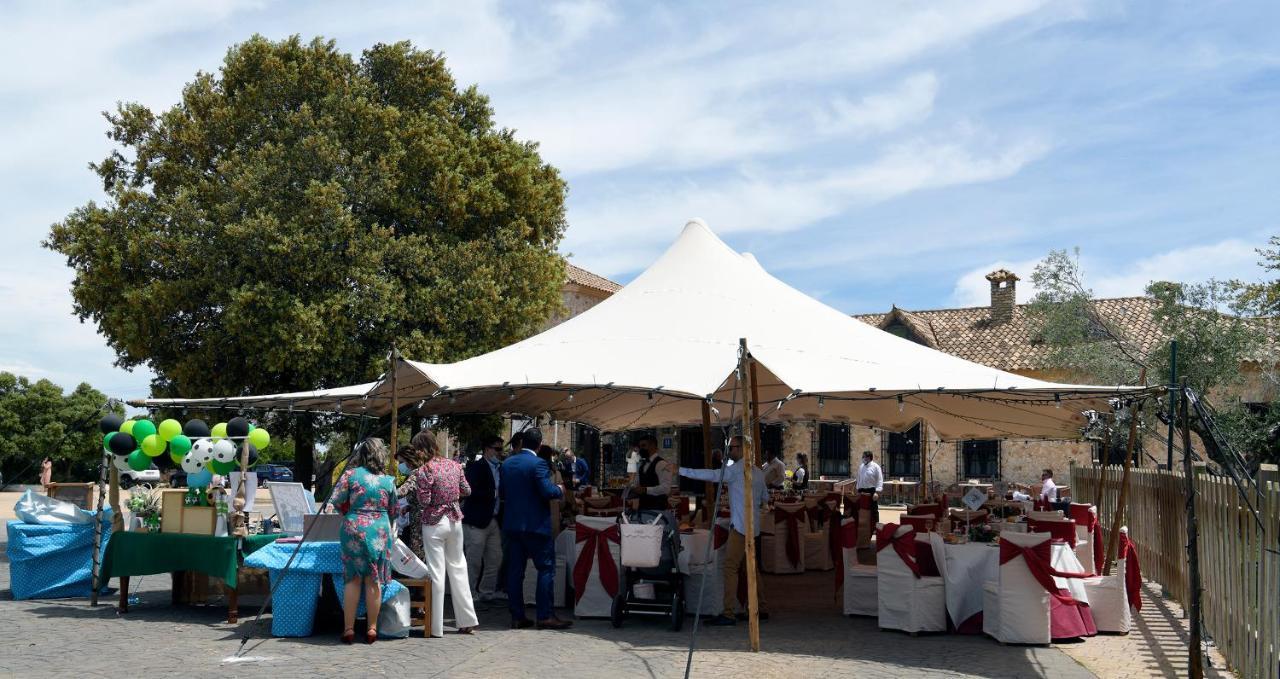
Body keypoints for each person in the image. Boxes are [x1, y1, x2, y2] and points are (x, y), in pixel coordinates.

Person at [677, 435, 769, 625]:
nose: (730, 451)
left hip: (741, 527)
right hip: (754, 528)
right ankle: (761, 607)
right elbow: (764, 499)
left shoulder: (735, 470)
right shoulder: (759, 472)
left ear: (742, 449)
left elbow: (710, 475)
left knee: (730, 567)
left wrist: (681, 470)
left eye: (733, 447)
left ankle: (728, 612)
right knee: (751, 568)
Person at [501, 427, 571, 630]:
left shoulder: (507, 463)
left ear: (521, 443)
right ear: (539, 445)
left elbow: (503, 492)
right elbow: (547, 491)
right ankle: (545, 615)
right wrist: (559, 489)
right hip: (536, 525)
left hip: (513, 525)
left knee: (515, 572)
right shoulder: (539, 463)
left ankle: (517, 616)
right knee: (545, 568)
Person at [330, 438, 398, 644]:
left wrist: (351, 513)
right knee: (373, 580)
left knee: (352, 579)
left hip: (354, 527)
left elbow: (337, 501)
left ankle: (348, 629)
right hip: (379, 529)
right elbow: (394, 510)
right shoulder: (388, 480)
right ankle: (372, 628)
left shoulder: (350, 475)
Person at [413, 430, 480, 636]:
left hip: (434, 521)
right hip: (454, 520)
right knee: (459, 567)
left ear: (422, 448)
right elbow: (467, 490)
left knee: (437, 571)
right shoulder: (455, 465)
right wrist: (451, 494)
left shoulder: (425, 470)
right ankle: (467, 620)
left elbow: (424, 501)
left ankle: (435, 626)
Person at [463, 435, 504, 602]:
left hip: (492, 519)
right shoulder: (476, 467)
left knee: (495, 558)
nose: (501, 453)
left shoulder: (500, 468)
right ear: (487, 449)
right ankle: (469, 593)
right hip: (476, 520)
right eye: (498, 449)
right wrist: (493, 494)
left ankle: (486, 591)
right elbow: (469, 490)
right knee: (474, 561)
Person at [393, 445, 427, 560]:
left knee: (418, 554)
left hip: (420, 522)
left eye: (401, 462)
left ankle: (422, 578)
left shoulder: (416, 473)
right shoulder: (424, 470)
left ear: (409, 460)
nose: (400, 466)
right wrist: (409, 506)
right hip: (421, 517)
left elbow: (403, 490)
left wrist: (385, 493)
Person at [632, 434, 673, 511]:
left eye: (644, 446)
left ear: (653, 446)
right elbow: (637, 483)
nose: (641, 449)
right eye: (640, 446)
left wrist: (646, 490)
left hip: (658, 509)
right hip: (643, 508)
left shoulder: (662, 464)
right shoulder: (641, 465)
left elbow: (666, 488)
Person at [856, 450, 883, 517]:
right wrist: (857, 489)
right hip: (861, 490)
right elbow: (858, 478)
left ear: (868, 458)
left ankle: (875, 524)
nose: (863, 458)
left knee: (873, 509)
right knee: (861, 508)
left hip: (871, 491)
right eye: (863, 457)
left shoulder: (876, 467)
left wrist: (877, 492)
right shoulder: (861, 466)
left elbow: (880, 479)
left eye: (864, 457)